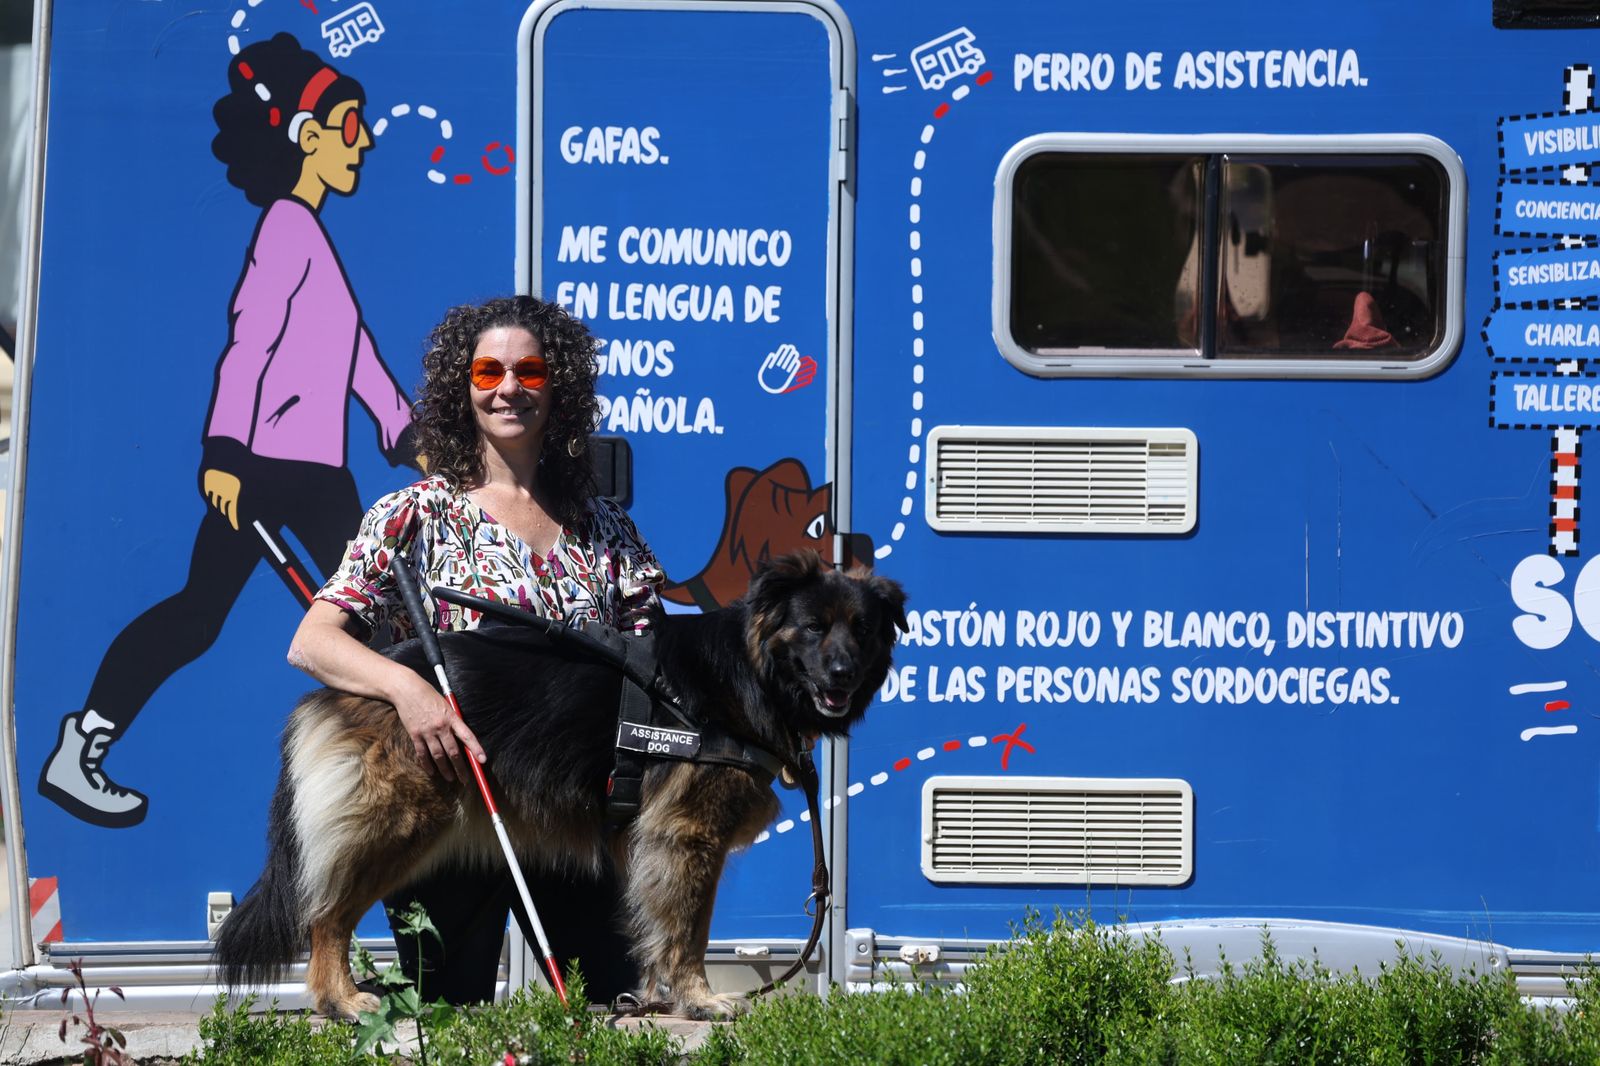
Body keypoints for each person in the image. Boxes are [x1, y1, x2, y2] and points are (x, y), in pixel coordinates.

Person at [37, 32, 416, 829]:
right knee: (214, 616)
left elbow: (356, 358)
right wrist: (225, 452)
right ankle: (83, 748)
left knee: (376, 620)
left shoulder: (311, 234)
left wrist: (407, 432)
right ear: (306, 139)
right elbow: (248, 342)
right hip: (274, 468)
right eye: (351, 126)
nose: (366, 141)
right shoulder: (286, 229)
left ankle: (400, 785)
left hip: (317, 472)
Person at [287, 294, 663, 1005]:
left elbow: (656, 662)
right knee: (450, 1016)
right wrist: (410, 692)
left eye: (529, 371)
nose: (509, 388)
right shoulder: (414, 514)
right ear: (464, 391)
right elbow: (314, 643)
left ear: (561, 388)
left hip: (574, 812)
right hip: (453, 803)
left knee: (606, 1010)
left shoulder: (608, 527)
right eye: (488, 372)